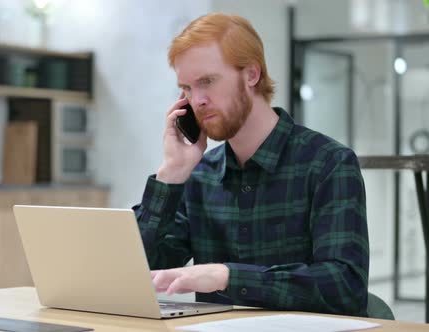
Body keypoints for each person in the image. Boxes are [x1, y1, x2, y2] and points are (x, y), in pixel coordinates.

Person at [133, 13, 369, 317]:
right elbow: (137, 270)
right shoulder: (199, 175)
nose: (198, 101)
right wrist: (171, 173)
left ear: (251, 75)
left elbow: (345, 287)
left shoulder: (328, 163)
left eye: (207, 81)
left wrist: (227, 276)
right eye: (187, 88)